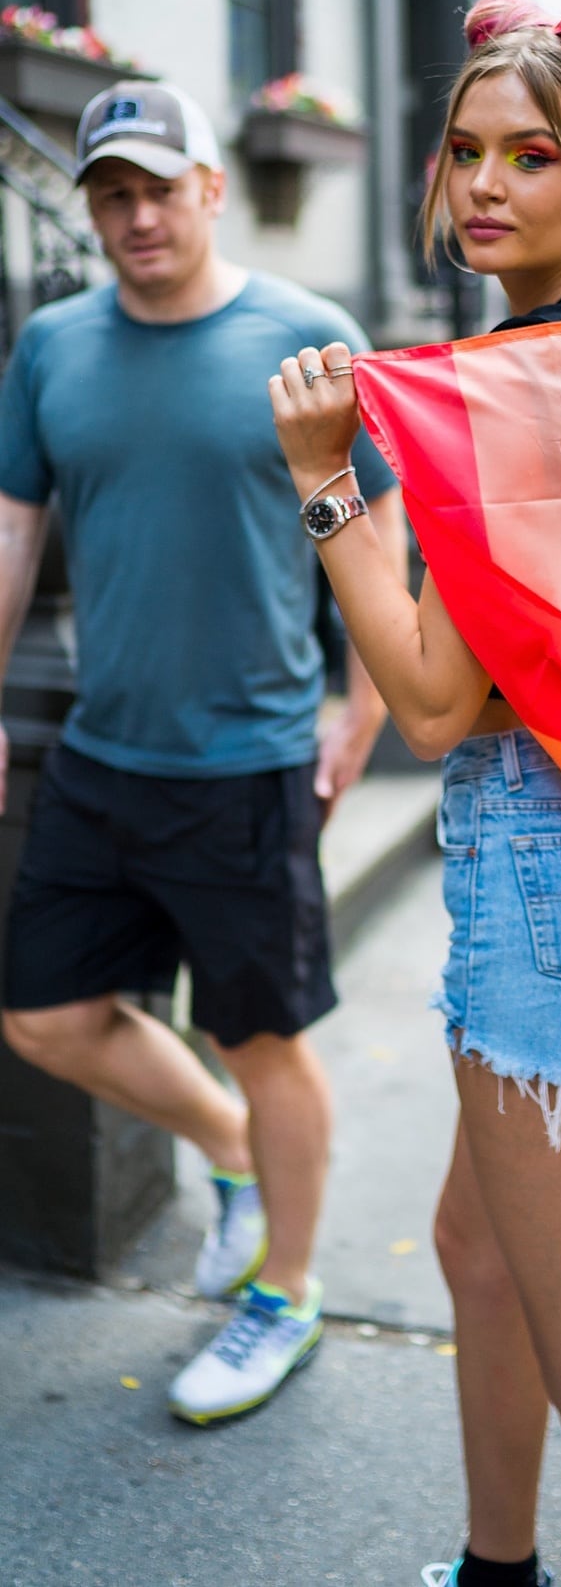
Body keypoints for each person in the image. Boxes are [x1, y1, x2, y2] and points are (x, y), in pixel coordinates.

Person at [269, 0, 561, 1587]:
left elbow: (435, 702)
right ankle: (497, 1568)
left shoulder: (517, 391)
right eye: (463, 150)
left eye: (531, 156)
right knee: (476, 1244)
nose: (480, 185)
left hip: (547, 874)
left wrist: (330, 482)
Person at [0, 80, 406, 1423]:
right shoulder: (53, 345)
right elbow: (12, 533)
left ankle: (283, 1294)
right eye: (109, 193)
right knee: (45, 1013)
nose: (132, 216)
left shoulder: (307, 337)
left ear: (211, 190)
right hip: (101, 755)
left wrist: (361, 715)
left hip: (246, 764)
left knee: (266, 1038)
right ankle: (230, 1151)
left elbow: (372, 533)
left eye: (156, 188)